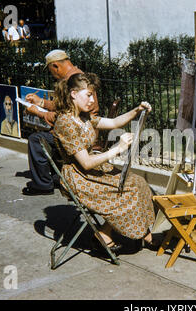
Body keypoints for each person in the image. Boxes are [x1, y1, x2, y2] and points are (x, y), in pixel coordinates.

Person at [53, 72, 157, 252]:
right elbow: (85, 163)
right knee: (128, 189)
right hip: (79, 177)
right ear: (73, 94)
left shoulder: (83, 117)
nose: (92, 100)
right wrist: (117, 148)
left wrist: (136, 110)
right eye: (88, 95)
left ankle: (124, 234)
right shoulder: (66, 122)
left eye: (93, 95)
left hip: (91, 169)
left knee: (137, 182)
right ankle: (116, 235)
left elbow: (115, 122)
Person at [21, 49, 97, 196]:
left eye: (51, 70)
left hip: (79, 131)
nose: (51, 74)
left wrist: (38, 112)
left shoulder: (72, 81)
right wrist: (41, 102)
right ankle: (55, 176)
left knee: (36, 139)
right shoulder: (77, 76)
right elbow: (65, 107)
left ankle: (42, 184)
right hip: (82, 127)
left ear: (55, 66)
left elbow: (63, 118)